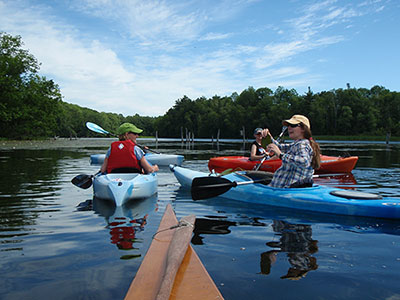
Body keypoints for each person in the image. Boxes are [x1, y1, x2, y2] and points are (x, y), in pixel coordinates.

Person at [266, 115, 320, 188]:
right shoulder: (297, 144)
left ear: (303, 129)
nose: (289, 127)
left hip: (287, 191)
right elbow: (279, 147)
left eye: (293, 125)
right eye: (288, 125)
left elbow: (304, 161)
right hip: (284, 190)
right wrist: (268, 137)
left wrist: (280, 155)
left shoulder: (302, 144)